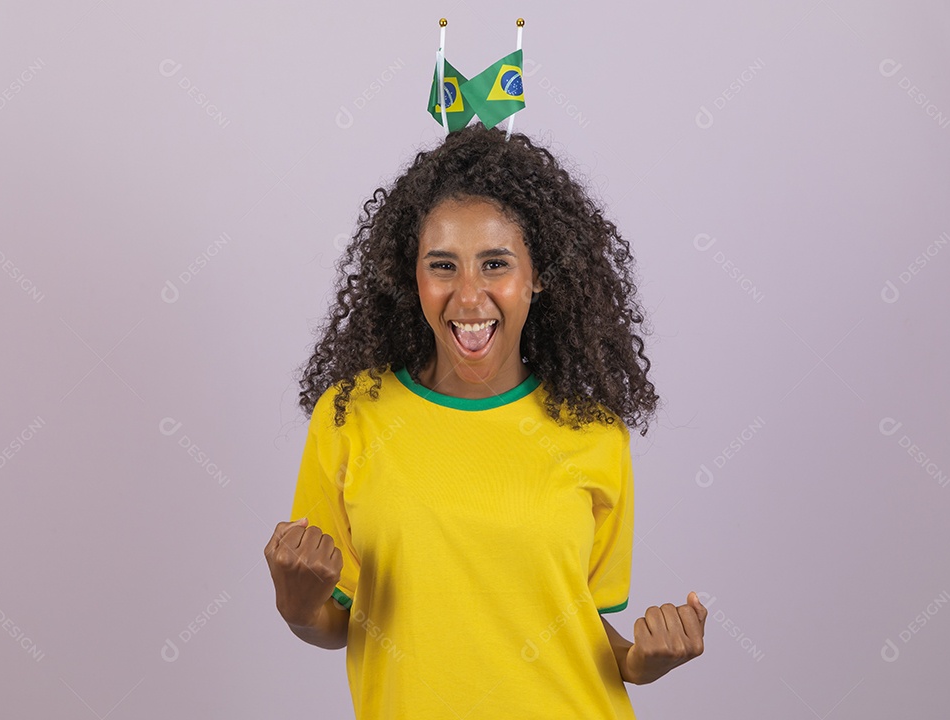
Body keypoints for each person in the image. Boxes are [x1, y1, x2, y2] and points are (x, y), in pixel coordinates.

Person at [264, 123, 706, 718]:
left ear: (539, 275)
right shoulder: (352, 416)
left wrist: (643, 662)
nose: (469, 297)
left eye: (495, 263)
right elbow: (333, 621)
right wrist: (297, 607)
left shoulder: (593, 430)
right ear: (410, 276)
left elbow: (583, 625)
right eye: (442, 266)